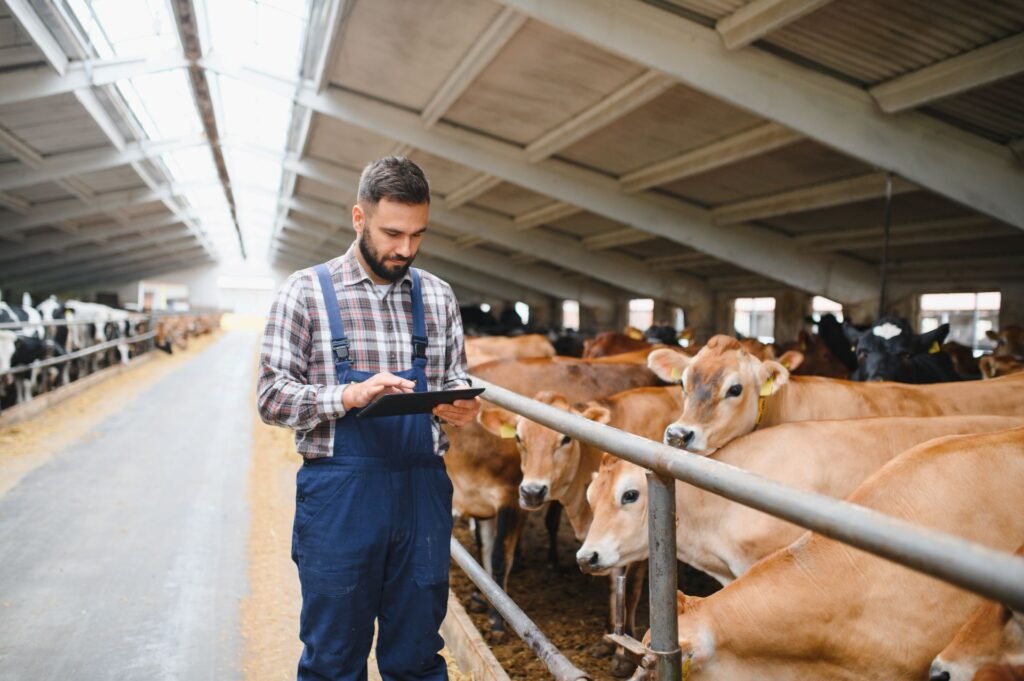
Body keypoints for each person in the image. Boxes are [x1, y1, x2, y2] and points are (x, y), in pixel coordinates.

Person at [257, 156, 480, 681]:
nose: (405, 249)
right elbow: (271, 397)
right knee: (334, 658)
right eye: (392, 233)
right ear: (359, 218)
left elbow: (454, 378)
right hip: (341, 498)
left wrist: (461, 407)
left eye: (418, 234)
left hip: (422, 493)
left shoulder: (438, 296)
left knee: (417, 657)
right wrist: (350, 396)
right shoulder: (305, 292)